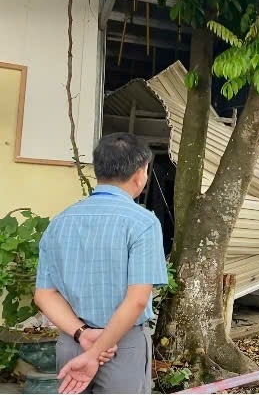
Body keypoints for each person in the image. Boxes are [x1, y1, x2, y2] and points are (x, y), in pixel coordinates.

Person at [34, 132, 168, 394]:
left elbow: (44, 294)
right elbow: (137, 300)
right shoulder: (142, 222)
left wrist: (83, 334)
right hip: (121, 345)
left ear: (98, 170)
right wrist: (95, 352)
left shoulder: (61, 222)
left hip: (73, 342)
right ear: (141, 173)